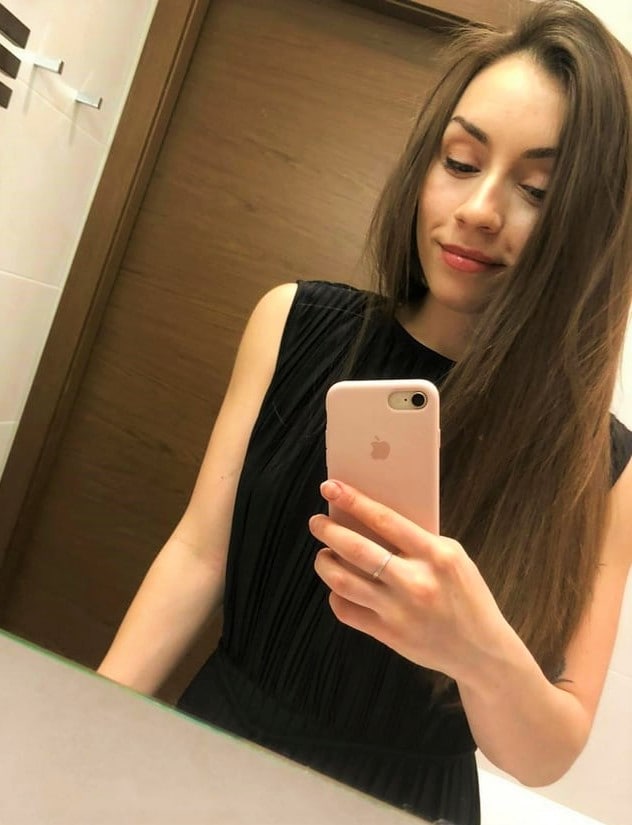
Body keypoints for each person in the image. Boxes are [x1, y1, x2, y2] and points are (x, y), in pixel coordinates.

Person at [97, 2, 632, 823]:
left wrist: (476, 650)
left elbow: (548, 750)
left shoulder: (599, 463)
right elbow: (197, 556)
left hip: (407, 803)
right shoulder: (292, 322)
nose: (480, 208)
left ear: (590, 227)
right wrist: (91, 724)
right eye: (460, 160)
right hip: (213, 757)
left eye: (536, 189)